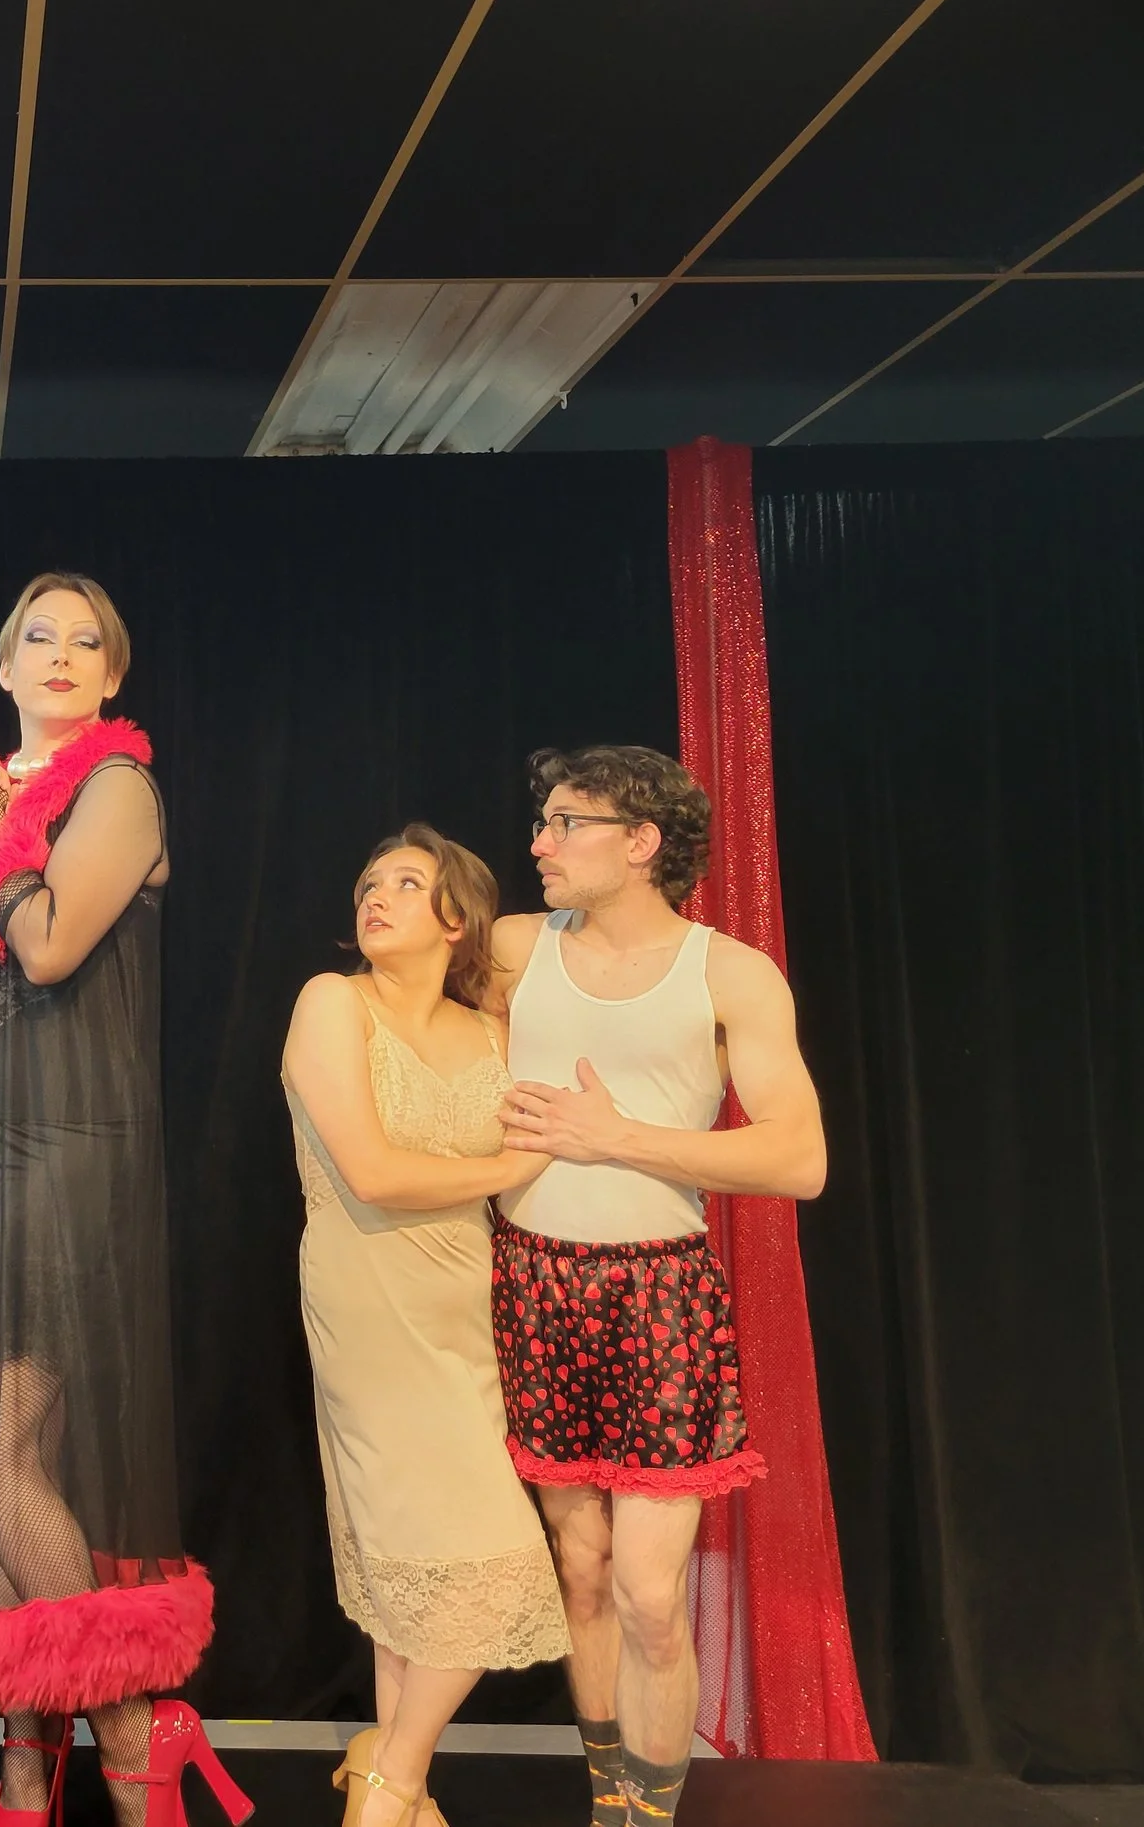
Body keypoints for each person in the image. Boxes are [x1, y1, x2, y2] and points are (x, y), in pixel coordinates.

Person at [0, 574, 246, 1827]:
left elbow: (43, 948)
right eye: (39, 636)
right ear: (3, 665)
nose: (62, 654)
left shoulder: (116, 788)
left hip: (60, 1150)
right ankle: (31, 1749)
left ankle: (131, 1726)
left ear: (112, 676)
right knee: (12, 1461)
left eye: (89, 642)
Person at [490, 746, 827, 1825]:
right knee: (582, 1570)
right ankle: (612, 1799)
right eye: (540, 821)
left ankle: (649, 1813)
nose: (539, 843)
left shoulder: (729, 973)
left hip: (658, 1296)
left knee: (646, 1594)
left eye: (566, 823)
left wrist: (620, 1136)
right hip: (532, 1284)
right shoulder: (513, 948)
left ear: (641, 842)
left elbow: (798, 1158)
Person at [282, 827, 573, 1827]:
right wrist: (507, 1169)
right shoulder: (332, 1002)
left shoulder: (493, 1031)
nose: (377, 896)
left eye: (408, 883)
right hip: (366, 1296)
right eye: (369, 883)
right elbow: (370, 1172)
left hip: (469, 1305)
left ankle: (392, 1772)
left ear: (456, 920)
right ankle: (394, 1779)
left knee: (416, 1558)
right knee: (486, 1547)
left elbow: (557, 942)